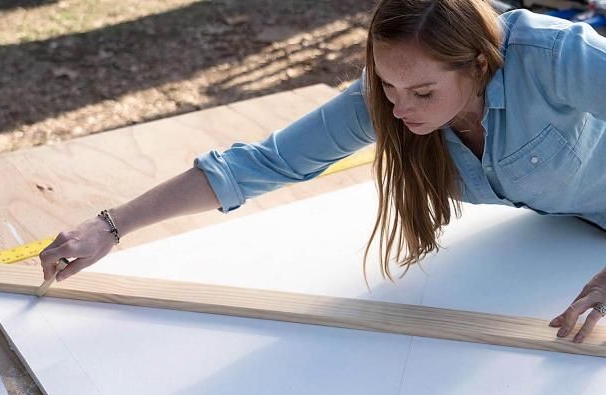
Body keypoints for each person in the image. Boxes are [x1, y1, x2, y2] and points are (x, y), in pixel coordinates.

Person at [40, 0, 606, 343]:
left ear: (479, 65)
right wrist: (110, 225)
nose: (398, 107)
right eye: (386, 84)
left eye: (422, 91)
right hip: (561, 233)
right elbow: (263, 162)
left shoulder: (555, 55)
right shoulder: (386, 99)